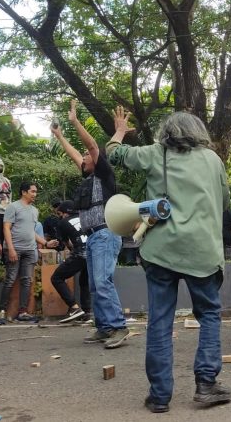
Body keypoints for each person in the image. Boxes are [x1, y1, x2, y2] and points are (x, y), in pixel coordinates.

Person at [107, 108, 231, 413]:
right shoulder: (213, 160)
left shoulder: (154, 153)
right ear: (198, 132)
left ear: (167, 133)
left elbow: (112, 154)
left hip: (161, 253)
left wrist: (121, 130)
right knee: (210, 315)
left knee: (160, 322)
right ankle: (206, 385)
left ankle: (160, 396)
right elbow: (226, 200)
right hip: (203, 253)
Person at [51, 99, 128, 349]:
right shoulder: (87, 176)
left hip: (106, 234)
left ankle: (118, 327)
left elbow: (91, 145)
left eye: (87, 155)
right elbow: (76, 153)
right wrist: (60, 136)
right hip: (93, 237)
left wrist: (75, 122)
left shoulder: (105, 173)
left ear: (97, 159)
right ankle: (104, 327)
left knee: (103, 281)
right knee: (95, 285)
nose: (83, 156)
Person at [0, 182, 58, 324]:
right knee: (10, 279)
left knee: (27, 280)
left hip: (30, 249)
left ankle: (23, 312)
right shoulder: (13, 207)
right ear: (24, 192)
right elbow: (6, 228)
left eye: (36, 192)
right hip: (15, 249)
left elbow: (31, 231)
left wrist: (46, 243)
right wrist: (11, 248)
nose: (35, 194)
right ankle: (2, 312)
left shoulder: (34, 210)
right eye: (32, 191)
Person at [51, 200, 91, 323]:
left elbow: (65, 243)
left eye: (60, 214)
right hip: (93, 253)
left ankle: (74, 308)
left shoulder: (63, 222)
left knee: (56, 278)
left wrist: (69, 249)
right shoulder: (86, 218)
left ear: (64, 213)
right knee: (84, 281)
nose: (60, 216)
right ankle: (86, 312)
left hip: (80, 254)